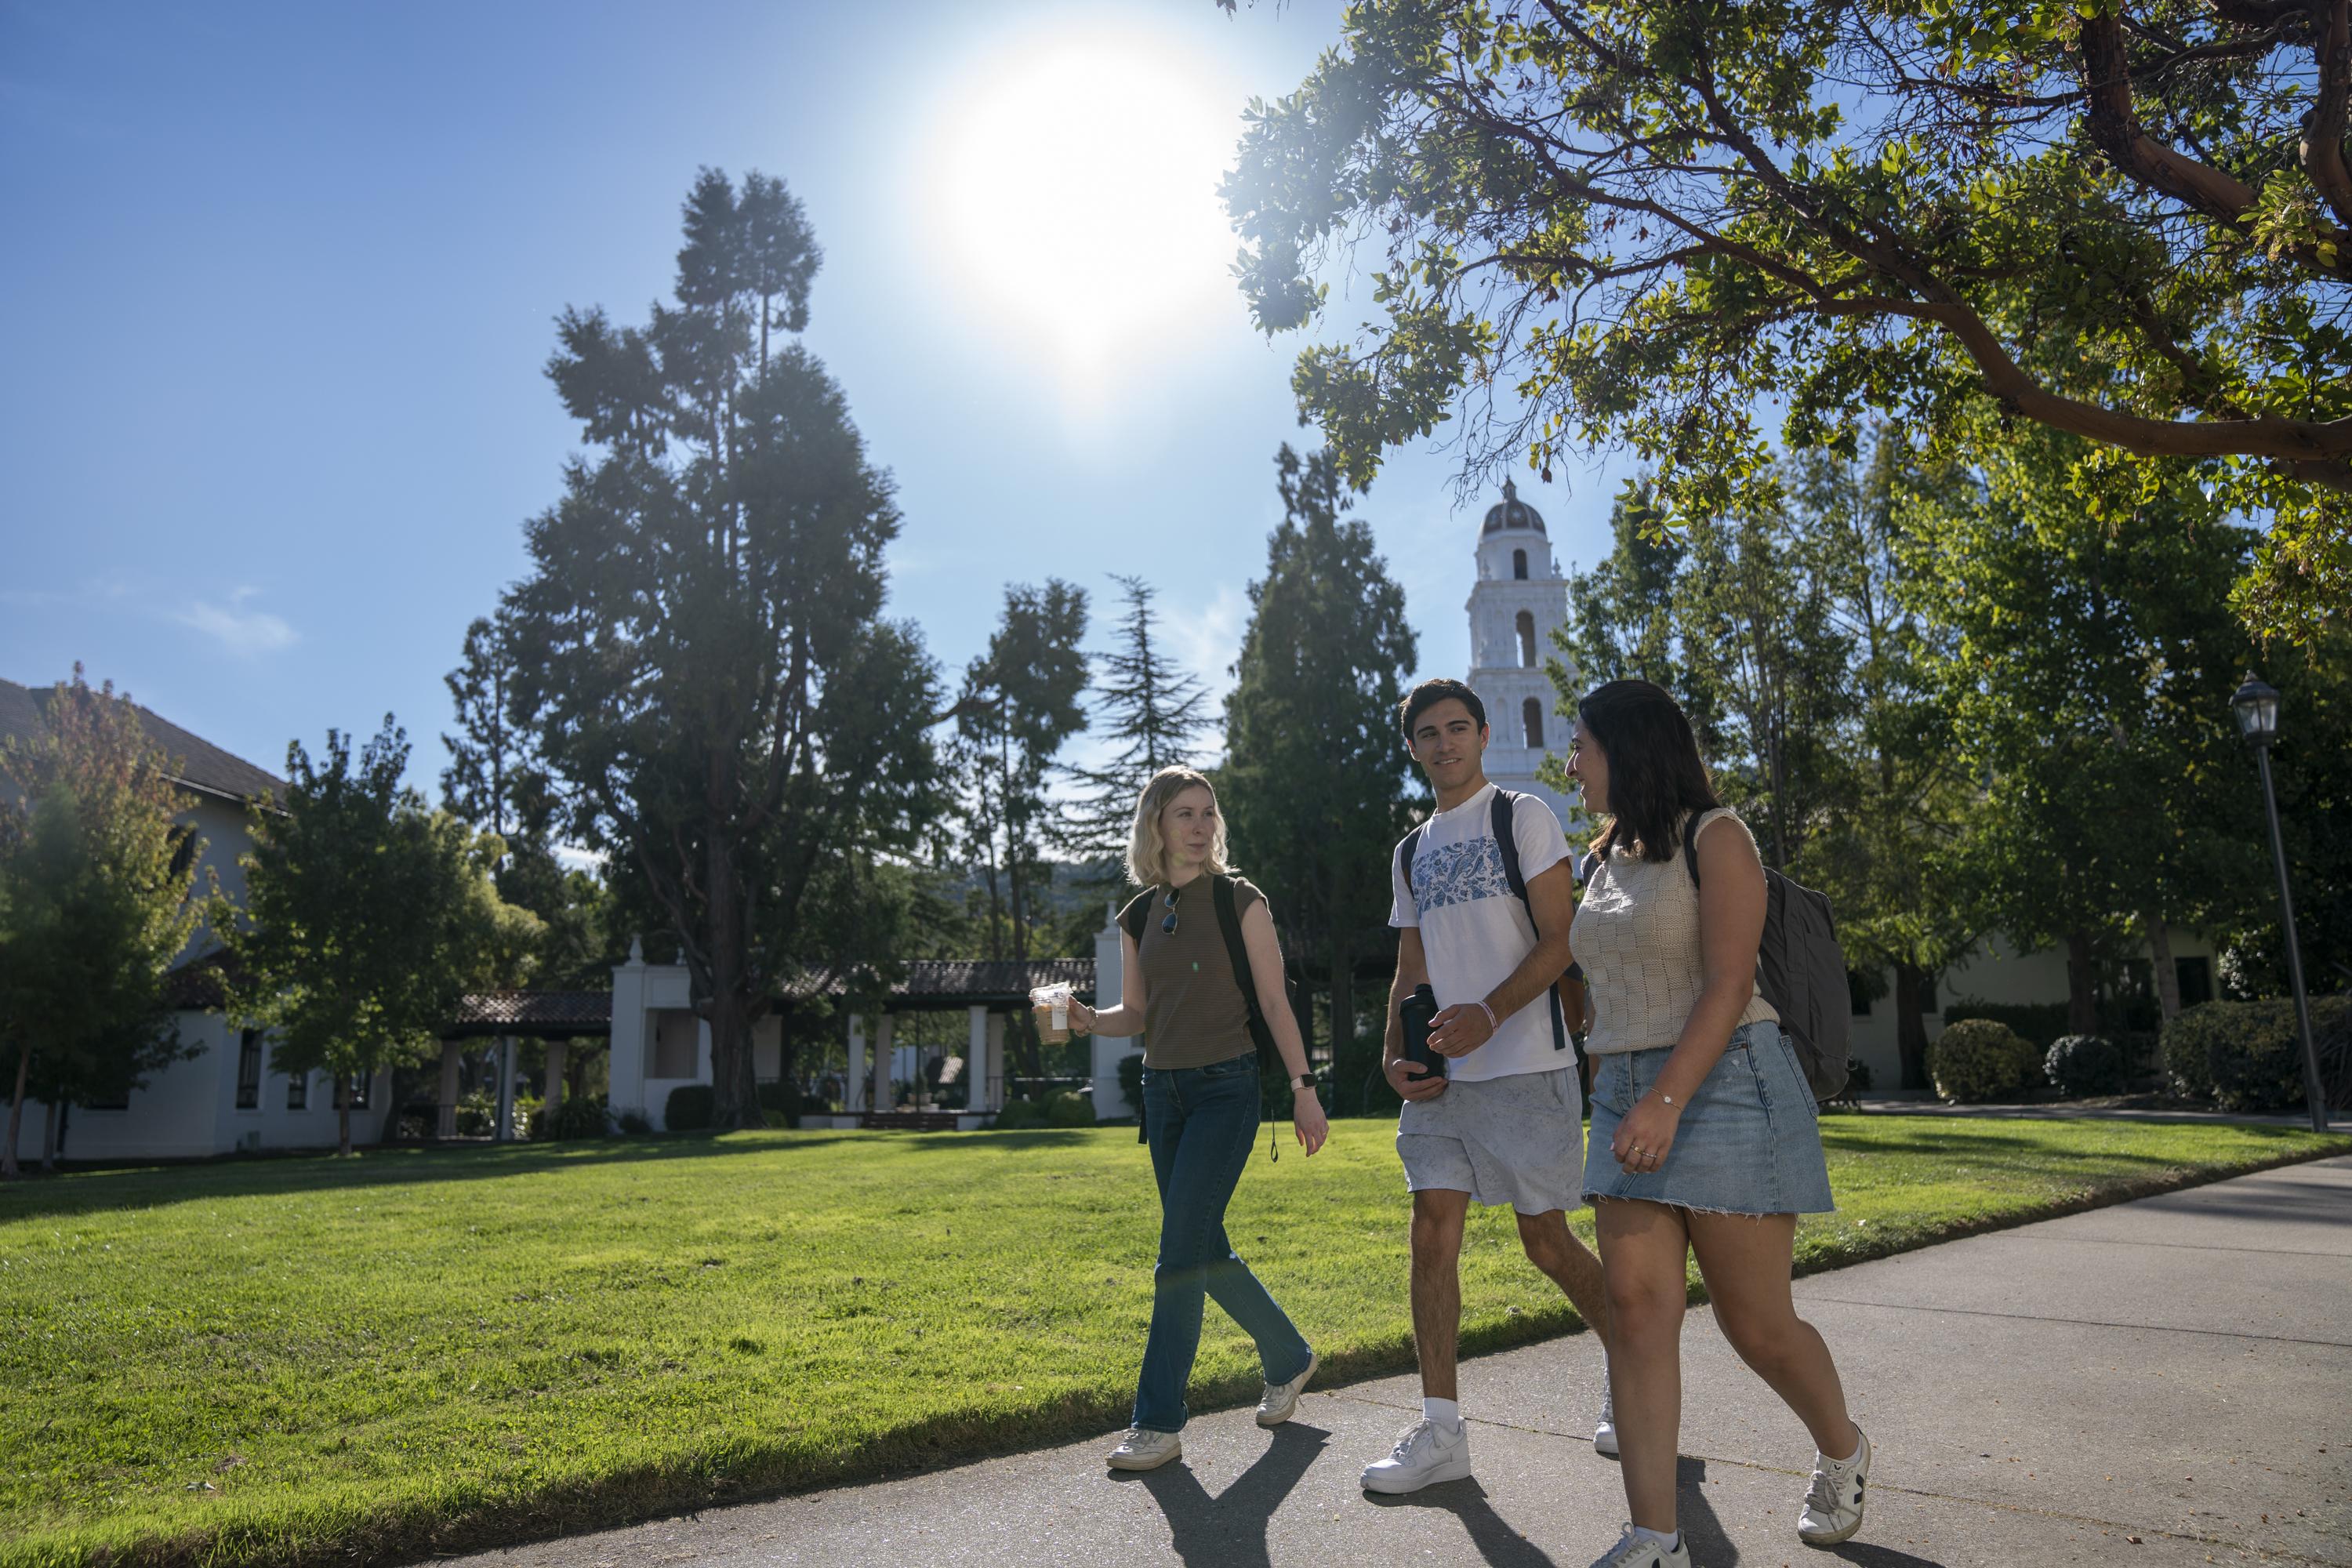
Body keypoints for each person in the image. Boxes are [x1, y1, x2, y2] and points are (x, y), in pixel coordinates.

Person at [1568, 680, 1867, 1568]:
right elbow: (1601, 990)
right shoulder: (1602, 858)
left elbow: (1730, 982)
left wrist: (1666, 1098)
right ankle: (1655, 1536)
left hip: (1728, 1081)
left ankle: (1843, 1449)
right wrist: (1612, 1092)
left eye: (1583, 744)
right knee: (1637, 1310)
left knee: (1757, 1322)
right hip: (1625, 1090)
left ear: (1632, 747)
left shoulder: (1718, 835)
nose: (1574, 762)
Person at [1362, 678, 1616, 1495]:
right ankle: (1442, 1429)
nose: (1445, 744)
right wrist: (1395, 1050)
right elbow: (1412, 967)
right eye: (1429, 733)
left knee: (1545, 1240)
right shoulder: (1410, 850)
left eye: (1459, 728)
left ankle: (1634, 1366)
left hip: (1528, 1068)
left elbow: (1561, 938)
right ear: (1412, 747)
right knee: (1432, 1233)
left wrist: (1493, 1011)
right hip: (1444, 1084)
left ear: (1482, 732)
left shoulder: (1524, 814)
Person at [1053, 765, 1328, 1473]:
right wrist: (1088, 1019)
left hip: (1225, 1092)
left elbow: (1274, 1004)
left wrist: (1303, 1087)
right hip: (1162, 1097)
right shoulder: (1139, 915)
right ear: (1158, 826)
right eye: (1185, 814)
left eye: (1208, 813)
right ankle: (1289, 1355)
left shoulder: (1242, 900)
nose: (1201, 826)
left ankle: (1158, 1420)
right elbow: (1138, 1015)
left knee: (1179, 1255)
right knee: (1201, 1248)